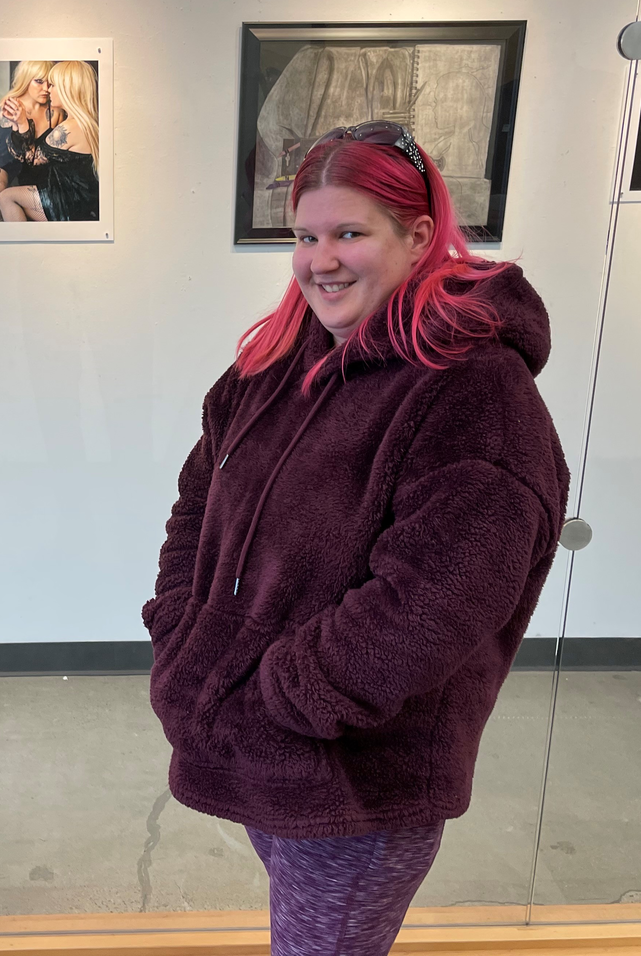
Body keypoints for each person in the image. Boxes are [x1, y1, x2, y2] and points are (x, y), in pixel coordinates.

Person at [143, 122, 568, 955]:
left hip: (355, 780)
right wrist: (180, 626)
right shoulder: (272, 363)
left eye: (349, 234)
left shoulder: (477, 392)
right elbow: (199, 501)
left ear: (417, 235)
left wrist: (288, 698)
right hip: (263, 751)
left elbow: (436, 599)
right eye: (305, 236)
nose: (320, 260)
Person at [0, 60, 99, 222]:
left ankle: (21, 246)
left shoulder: (66, 129)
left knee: (6, 197)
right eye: (42, 82)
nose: (48, 90)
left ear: (67, 89)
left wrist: (22, 124)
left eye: (52, 85)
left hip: (70, 202)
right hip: (81, 197)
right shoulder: (83, 123)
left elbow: (32, 159)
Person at [0, 60, 61, 203]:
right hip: (10, 160)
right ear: (26, 79)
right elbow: (9, 156)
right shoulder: (11, 107)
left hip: (43, 168)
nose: (46, 89)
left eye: (50, 83)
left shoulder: (55, 110)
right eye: (39, 81)